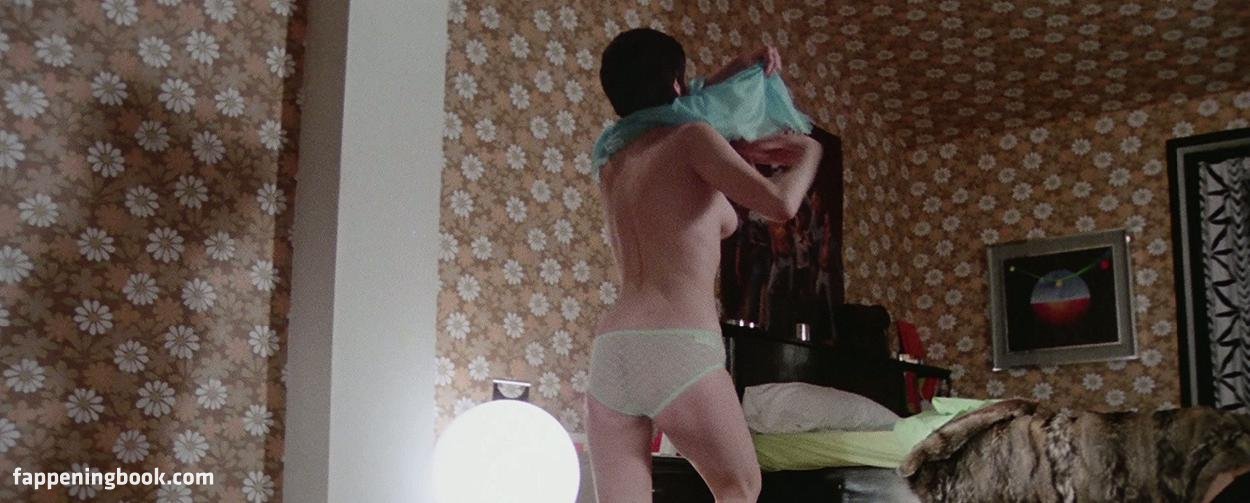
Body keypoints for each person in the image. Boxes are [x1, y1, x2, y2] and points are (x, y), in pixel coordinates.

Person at [586, 28, 822, 502]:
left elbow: (685, 100)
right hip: (676, 342)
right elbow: (779, 205)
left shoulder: (613, 162)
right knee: (740, 487)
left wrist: (738, 66)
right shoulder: (692, 139)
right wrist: (809, 152)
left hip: (613, 349)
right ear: (675, 83)